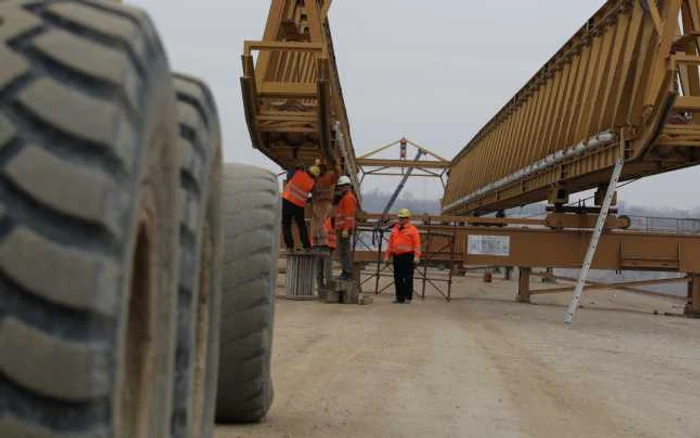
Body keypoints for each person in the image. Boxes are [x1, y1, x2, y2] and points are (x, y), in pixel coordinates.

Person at [384, 208, 421, 304]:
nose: (401, 220)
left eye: (403, 218)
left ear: (408, 219)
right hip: (397, 256)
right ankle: (399, 297)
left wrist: (417, 256)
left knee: (408, 277)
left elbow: (417, 244)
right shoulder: (395, 229)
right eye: (400, 218)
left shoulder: (413, 230)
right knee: (398, 277)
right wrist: (387, 256)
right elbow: (390, 244)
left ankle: (408, 297)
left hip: (408, 256)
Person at [281, 165, 320, 251]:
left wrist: (297, 167)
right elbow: (311, 194)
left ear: (308, 170)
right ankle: (306, 246)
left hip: (287, 200)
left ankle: (290, 247)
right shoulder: (312, 183)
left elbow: (289, 173)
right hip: (299, 205)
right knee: (301, 225)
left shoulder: (298, 173)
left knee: (286, 225)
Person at [334, 175, 358, 280]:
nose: (340, 189)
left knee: (345, 251)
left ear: (346, 186)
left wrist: (345, 229)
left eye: (341, 187)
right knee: (343, 251)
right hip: (342, 229)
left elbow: (349, 216)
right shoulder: (346, 197)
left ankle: (347, 273)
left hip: (345, 229)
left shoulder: (348, 198)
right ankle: (345, 271)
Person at [310, 161, 338, 251]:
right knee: (315, 223)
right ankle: (316, 242)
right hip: (317, 203)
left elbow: (337, 175)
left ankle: (323, 243)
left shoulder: (330, 175)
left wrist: (335, 164)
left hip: (325, 202)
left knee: (321, 223)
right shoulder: (316, 178)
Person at [316, 217, 337, 292]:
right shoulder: (329, 220)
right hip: (323, 246)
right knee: (323, 270)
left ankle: (324, 288)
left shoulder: (328, 220)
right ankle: (325, 288)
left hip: (326, 246)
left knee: (322, 270)